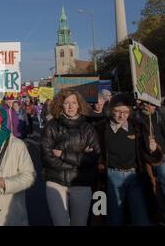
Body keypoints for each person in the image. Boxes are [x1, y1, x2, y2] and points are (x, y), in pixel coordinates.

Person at [94, 94, 163, 226]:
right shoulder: (100, 128)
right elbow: (94, 155)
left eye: (125, 112)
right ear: (110, 110)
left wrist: (153, 150)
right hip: (111, 177)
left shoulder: (137, 127)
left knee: (141, 217)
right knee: (115, 218)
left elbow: (151, 157)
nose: (122, 115)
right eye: (118, 111)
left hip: (135, 177)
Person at [40, 89, 100, 226]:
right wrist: (80, 159)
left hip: (81, 184)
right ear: (60, 105)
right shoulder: (51, 127)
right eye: (66, 103)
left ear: (79, 105)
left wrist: (62, 154)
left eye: (74, 102)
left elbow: (93, 158)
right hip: (56, 183)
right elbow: (47, 159)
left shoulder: (88, 128)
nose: (71, 106)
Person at [138, 101, 165, 212]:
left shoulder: (158, 116)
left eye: (153, 105)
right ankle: (153, 203)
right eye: (150, 104)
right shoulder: (137, 116)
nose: (152, 107)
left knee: (164, 175)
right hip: (146, 153)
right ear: (145, 105)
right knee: (151, 179)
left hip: (161, 152)